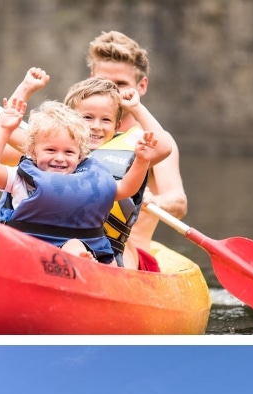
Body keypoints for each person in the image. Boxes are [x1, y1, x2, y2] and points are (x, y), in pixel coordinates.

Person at [0, 96, 157, 263]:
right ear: (32, 152)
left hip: (70, 258)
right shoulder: (20, 179)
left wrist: (142, 161)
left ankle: (82, 264)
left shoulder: (91, 183)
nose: (59, 158)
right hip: (28, 252)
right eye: (50, 150)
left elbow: (126, 189)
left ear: (80, 156)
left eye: (69, 152)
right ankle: (77, 264)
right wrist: (4, 129)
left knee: (76, 245)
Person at [87, 31, 187, 266]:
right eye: (103, 83)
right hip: (76, 248)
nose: (111, 91)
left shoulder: (151, 141)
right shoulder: (70, 133)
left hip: (129, 257)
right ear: (91, 79)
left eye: (120, 84)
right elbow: (0, 158)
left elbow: (179, 203)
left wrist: (154, 202)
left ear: (141, 86)